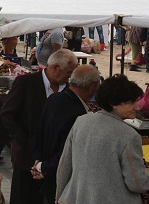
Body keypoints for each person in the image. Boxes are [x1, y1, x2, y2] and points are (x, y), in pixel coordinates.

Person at [56, 75, 149, 203]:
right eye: (131, 102)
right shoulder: (129, 135)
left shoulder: (81, 121)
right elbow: (138, 184)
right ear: (113, 103)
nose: (138, 107)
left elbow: (64, 166)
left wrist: (59, 196)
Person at [0, 48, 77, 204]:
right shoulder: (26, 83)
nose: (70, 76)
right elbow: (7, 114)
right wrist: (23, 140)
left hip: (53, 162)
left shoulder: (68, 90)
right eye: (69, 72)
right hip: (26, 159)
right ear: (55, 68)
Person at [33, 64, 101, 203]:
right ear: (92, 87)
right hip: (60, 185)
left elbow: (39, 133)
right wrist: (42, 167)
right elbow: (67, 153)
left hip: (47, 176)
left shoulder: (54, 98)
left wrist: (38, 161)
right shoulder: (77, 113)